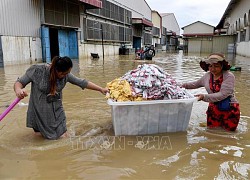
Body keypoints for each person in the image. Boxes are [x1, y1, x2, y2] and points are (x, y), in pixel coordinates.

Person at [14, 56, 108, 140]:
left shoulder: (65, 75)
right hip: (39, 111)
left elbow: (82, 82)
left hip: (57, 111)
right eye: (64, 73)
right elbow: (19, 83)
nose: (66, 75)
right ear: (57, 71)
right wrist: (18, 90)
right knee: (40, 138)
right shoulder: (37, 71)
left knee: (63, 137)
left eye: (68, 73)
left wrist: (101, 89)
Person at [182, 53, 240, 131]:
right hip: (213, 108)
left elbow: (223, 94)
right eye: (210, 66)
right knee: (212, 132)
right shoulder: (207, 76)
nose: (212, 69)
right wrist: (180, 85)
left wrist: (204, 97)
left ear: (222, 66)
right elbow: (195, 84)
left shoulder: (229, 76)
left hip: (229, 109)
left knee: (229, 134)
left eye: (216, 66)